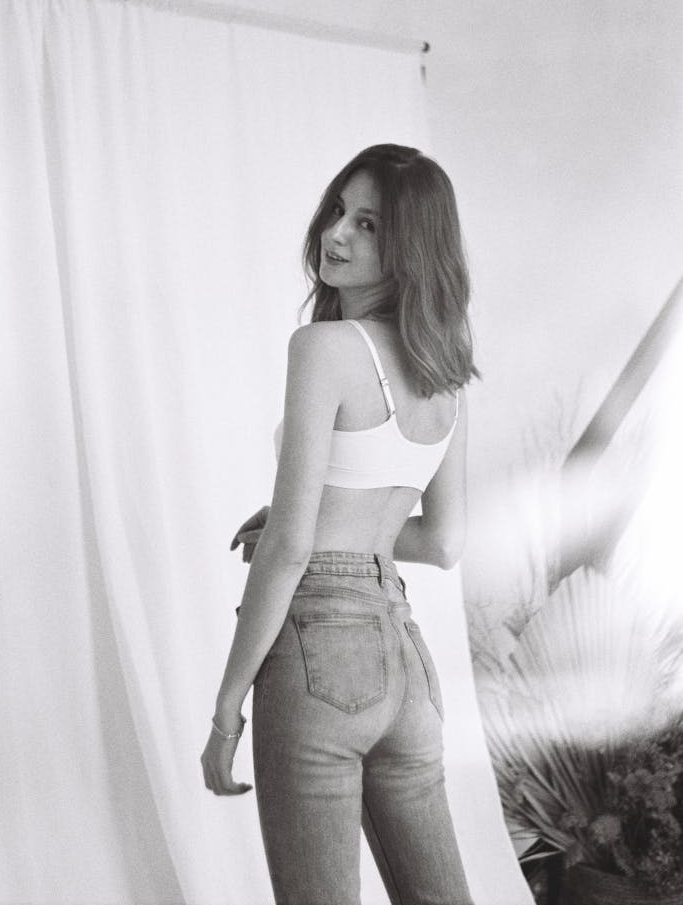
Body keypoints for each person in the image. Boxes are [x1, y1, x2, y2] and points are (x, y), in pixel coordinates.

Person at [200, 144, 479, 905]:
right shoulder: (446, 370)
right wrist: (342, 525)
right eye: (338, 210)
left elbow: (290, 546)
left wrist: (228, 706)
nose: (337, 234)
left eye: (369, 225)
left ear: (412, 248)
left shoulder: (323, 346)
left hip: (318, 654)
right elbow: (444, 541)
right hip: (406, 667)